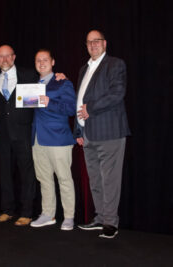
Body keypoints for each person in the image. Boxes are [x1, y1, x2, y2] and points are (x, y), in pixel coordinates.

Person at [74, 30, 130, 238]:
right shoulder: (84, 69)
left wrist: (91, 108)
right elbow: (79, 100)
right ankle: (100, 218)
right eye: (89, 42)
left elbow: (117, 94)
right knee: (95, 180)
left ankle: (111, 222)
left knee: (110, 179)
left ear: (105, 43)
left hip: (109, 131)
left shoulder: (115, 64)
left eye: (96, 41)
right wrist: (77, 130)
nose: (93, 45)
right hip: (87, 134)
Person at [0, 45, 39, 226]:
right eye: (1, 57)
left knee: (27, 174)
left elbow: (40, 93)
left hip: (24, 133)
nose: (4, 60)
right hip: (3, 134)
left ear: (14, 57)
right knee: (5, 174)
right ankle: (7, 210)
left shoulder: (28, 75)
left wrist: (60, 77)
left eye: (8, 56)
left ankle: (27, 213)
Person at [30, 49, 77, 231]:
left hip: (58, 138)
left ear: (53, 61)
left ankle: (69, 216)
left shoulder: (62, 82)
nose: (41, 63)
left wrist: (50, 102)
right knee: (44, 179)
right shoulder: (32, 86)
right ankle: (48, 214)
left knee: (64, 179)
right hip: (37, 139)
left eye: (45, 60)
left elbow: (71, 109)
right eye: (38, 60)